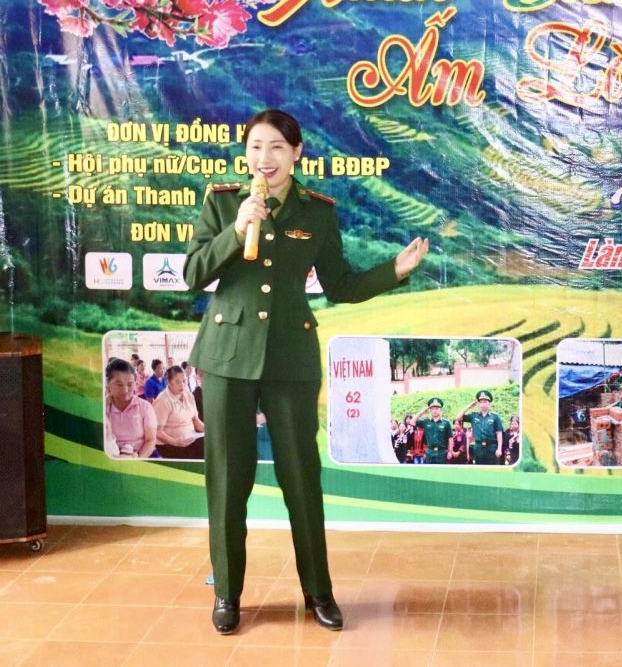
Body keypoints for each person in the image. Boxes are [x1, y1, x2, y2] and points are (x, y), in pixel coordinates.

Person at [185, 108, 428, 635]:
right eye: (255, 147)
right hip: (226, 358)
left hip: (290, 360)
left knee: (301, 478)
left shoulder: (317, 212)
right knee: (227, 481)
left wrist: (394, 271)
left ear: (296, 152)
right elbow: (192, 273)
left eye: (276, 147)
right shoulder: (223, 202)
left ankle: (319, 592)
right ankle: (227, 594)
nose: (264, 158)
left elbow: (340, 285)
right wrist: (237, 230)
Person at [104, 358, 157, 459]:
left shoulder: (145, 407)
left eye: (130, 384)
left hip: (140, 457)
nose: (125, 390)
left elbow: (150, 440)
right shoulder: (103, 408)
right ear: (108, 384)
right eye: (119, 384)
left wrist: (136, 460)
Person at [154, 365, 205, 458]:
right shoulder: (163, 400)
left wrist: (209, 431)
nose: (182, 385)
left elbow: (196, 420)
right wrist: (176, 442)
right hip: (169, 444)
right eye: (178, 382)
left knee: (211, 448)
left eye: (184, 381)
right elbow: (157, 431)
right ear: (169, 382)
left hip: (190, 439)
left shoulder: (189, 396)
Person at [458, 389, 506, 465]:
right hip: (478, 447)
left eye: (485, 401)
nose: (483, 404)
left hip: (492, 447)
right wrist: (469, 406)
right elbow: (458, 417)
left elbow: (499, 433)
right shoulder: (473, 416)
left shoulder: (495, 417)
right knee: (479, 469)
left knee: (492, 469)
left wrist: (499, 448)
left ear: (489, 403)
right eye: (481, 402)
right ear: (478, 403)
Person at [415, 398, 453, 464]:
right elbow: (412, 422)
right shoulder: (426, 422)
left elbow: (450, 438)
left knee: (442, 470)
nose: (434, 411)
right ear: (429, 410)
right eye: (432, 409)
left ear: (440, 410)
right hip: (430, 452)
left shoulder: (446, 423)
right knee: (430, 470)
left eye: (437, 408)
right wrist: (423, 412)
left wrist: (450, 452)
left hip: (442, 452)